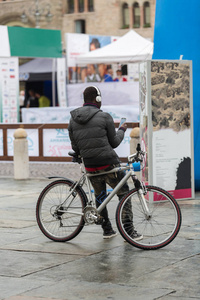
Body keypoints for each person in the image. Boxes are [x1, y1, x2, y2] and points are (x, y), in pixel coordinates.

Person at [68, 86, 143, 240]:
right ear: (98, 99)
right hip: (108, 165)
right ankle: (129, 230)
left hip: (90, 166)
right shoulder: (104, 117)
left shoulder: (73, 119)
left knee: (100, 195)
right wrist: (121, 129)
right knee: (124, 193)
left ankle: (107, 229)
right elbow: (114, 142)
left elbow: (75, 147)